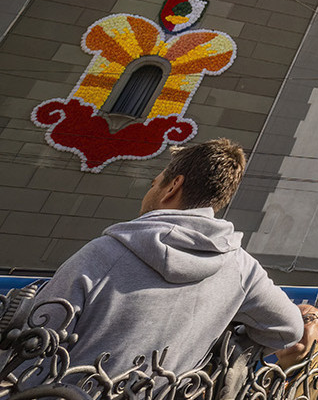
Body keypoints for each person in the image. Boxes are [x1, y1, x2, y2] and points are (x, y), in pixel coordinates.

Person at [32, 138, 304, 373]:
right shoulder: (242, 268)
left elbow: (33, 343)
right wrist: (225, 342)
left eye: (154, 184)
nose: (148, 192)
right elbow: (289, 329)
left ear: (173, 187)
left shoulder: (105, 252)